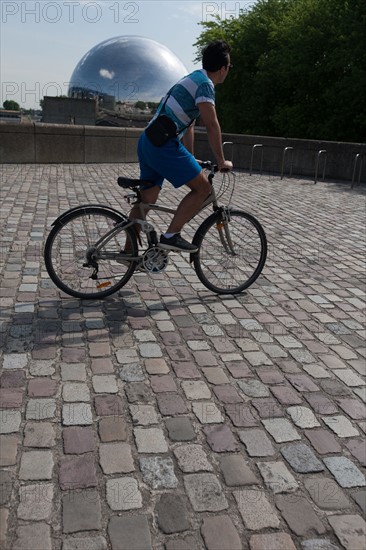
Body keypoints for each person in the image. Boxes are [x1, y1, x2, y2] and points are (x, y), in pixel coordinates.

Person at [129, 39, 233, 252]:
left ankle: (128, 252)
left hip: (149, 141)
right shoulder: (205, 85)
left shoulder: (192, 78)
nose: (228, 71)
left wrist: (190, 157)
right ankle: (171, 235)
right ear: (223, 68)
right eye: (229, 67)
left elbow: (190, 125)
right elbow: (212, 124)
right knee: (203, 189)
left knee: (147, 199)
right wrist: (221, 160)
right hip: (162, 146)